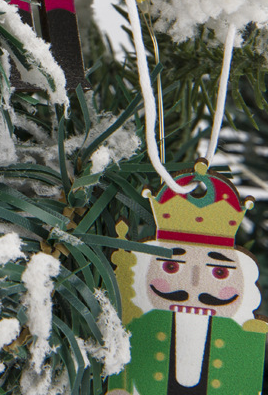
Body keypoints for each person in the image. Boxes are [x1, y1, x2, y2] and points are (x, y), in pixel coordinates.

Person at [108, 161, 268, 394]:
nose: (194, 286)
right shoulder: (140, 325)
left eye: (219, 272)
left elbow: (246, 385)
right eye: (171, 267)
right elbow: (120, 375)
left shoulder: (245, 337)